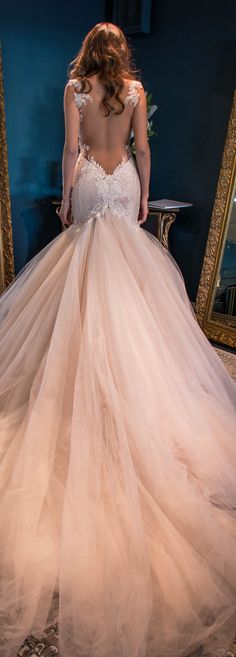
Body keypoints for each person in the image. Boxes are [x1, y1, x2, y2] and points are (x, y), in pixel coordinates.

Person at [0, 21, 236, 657]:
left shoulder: (75, 88)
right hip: (123, 181)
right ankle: (135, 387)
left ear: (86, 52)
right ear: (122, 54)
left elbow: (69, 154)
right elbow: (144, 152)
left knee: (80, 286)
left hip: (91, 188)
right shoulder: (133, 89)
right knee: (135, 293)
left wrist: (68, 200)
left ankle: (77, 375)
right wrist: (137, 200)